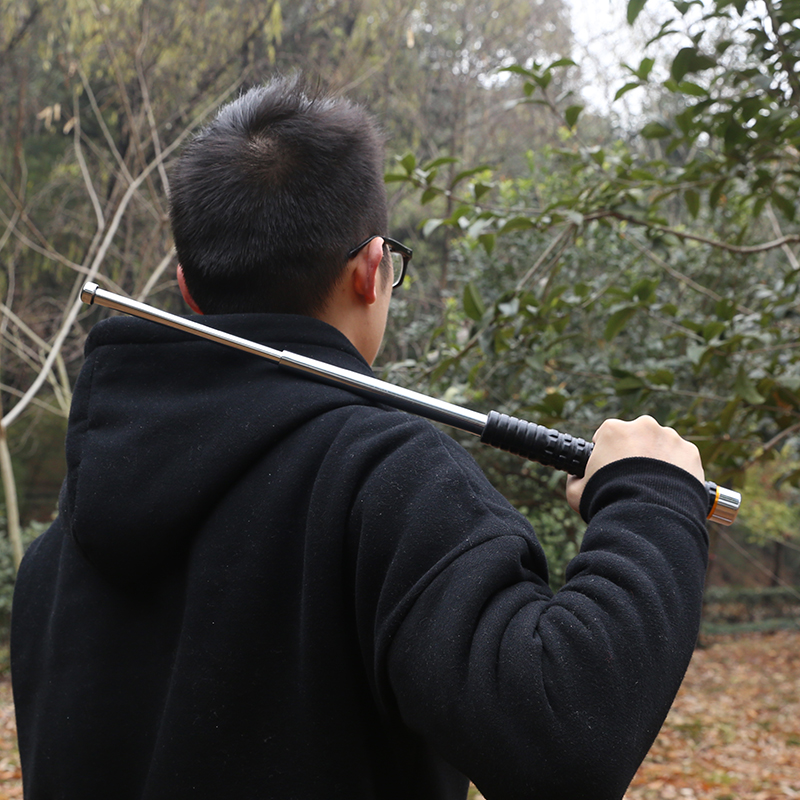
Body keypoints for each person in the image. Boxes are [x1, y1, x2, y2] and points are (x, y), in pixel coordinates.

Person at [11, 74, 709, 800]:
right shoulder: (385, 482)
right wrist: (651, 503)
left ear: (187, 287)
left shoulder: (57, 559)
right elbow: (567, 731)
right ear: (373, 271)